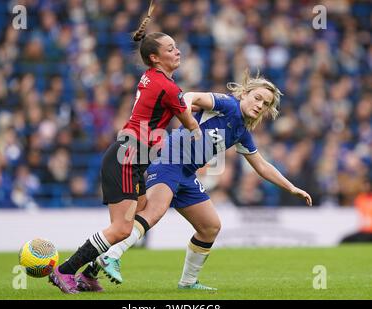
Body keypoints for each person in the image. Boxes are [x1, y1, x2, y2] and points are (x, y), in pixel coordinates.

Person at [87, 70, 313, 291]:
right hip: (170, 160)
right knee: (154, 212)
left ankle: (187, 282)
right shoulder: (227, 104)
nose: (260, 105)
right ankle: (111, 256)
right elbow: (189, 96)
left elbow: (262, 165)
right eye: (257, 98)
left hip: (187, 174)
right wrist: (186, 113)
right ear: (244, 94)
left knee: (210, 227)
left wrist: (291, 187)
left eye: (265, 104)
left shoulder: (241, 132)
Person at [48, 4, 201, 294]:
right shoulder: (169, 88)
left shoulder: (154, 78)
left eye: (177, 46)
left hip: (132, 156)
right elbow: (191, 124)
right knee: (123, 228)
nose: (177, 51)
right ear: (155, 58)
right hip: (128, 157)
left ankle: (90, 274)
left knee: (140, 217)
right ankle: (65, 271)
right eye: (170, 48)